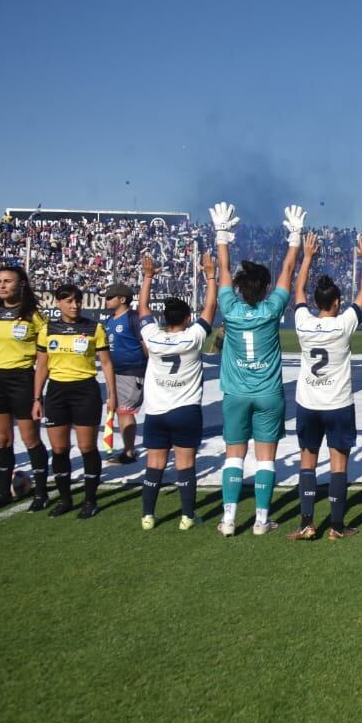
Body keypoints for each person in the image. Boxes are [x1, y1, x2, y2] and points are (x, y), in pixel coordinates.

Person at [212, 202, 305, 537]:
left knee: (234, 457)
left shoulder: (230, 308)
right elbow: (288, 269)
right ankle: (262, 521)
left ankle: (228, 520)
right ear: (265, 289)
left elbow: (222, 269)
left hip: (236, 393)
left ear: (239, 287)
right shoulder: (272, 309)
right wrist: (294, 235)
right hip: (268, 394)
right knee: (266, 459)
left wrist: (222, 234)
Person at [287, 231, 362, 541]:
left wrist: (307, 257)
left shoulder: (303, 322)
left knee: (307, 463)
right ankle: (336, 526)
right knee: (338, 466)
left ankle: (307, 524)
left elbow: (297, 291)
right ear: (337, 302)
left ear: (315, 302)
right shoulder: (344, 323)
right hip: (337, 404)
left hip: (308, 404)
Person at [137, 251, 217, 531]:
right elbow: (210, 308)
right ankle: (187, 516)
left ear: (164, 318)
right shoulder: (193, 337)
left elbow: (142, 310)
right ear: (186, 318)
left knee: (155, 463)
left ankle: (148, 515)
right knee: (185, 463)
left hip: (157, 411)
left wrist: (147, 277)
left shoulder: (153, 336)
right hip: (186, 410)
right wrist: (210, 275)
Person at [33, 284, 117, 518]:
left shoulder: (94, 327)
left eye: (77, 300)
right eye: (68, 301)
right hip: (57, 392)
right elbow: (41, 366)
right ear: (57, 303)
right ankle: (65, 499)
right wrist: (37, 398)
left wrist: (112, 395)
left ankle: (90, 500)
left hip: (85, 392)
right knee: (59, 449)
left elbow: (107, 364)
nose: (74, 305)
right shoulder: (47, 329)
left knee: (86, 447)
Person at [0, 266, 49, 512]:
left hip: (22, 380)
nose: (2, 285)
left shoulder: (33, 315)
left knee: (30, 439)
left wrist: (37, 393)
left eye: (7, 281)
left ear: (21, 284)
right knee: (2, 440)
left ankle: (41, 494)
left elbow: (44, 357)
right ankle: (3, 493)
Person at [103, 280, 148, 464]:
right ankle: (126, 449)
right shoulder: (109, 320)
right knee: (119, 410)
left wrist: (151, 366)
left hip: (132, 371)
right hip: (115, 372)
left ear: (122, 299)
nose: (106, 301)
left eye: (109, 297)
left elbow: (145, 343)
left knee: (126, 411)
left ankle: (129, 452)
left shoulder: (133, 318)